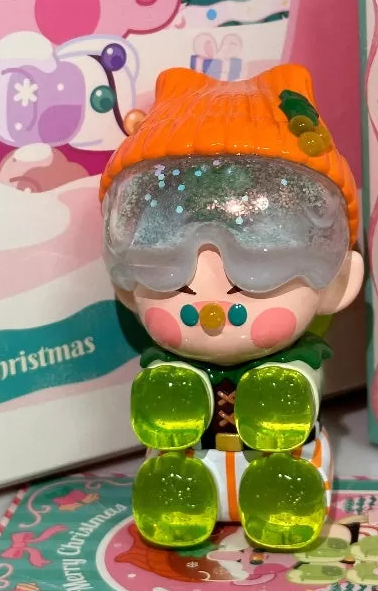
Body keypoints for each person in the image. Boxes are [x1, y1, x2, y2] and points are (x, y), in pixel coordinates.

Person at [99, 64, 363, 550]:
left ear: (338, 283)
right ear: (128, 287)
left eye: (250, 284)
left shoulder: (296, 365)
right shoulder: (166, 366)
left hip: (283, 473)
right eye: (178, 285)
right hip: (187, 471)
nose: (213, 311)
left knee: (282, 407)